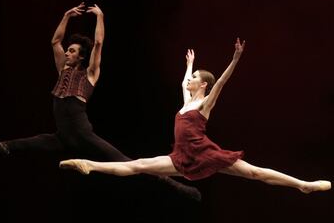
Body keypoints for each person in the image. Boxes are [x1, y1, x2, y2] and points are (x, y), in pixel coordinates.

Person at [0, 2, 202, 200]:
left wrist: (100, 16)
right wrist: (66, 16)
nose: (67, 50)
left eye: (73, 50)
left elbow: (99, 43)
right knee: (16, 145)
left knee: (129, 164)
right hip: (62, 136)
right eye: (69, 49)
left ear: (81, 57)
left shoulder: (90, 74)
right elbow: (55, 40)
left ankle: (177, 186)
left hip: (83, 134)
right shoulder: (63, 70)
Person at [60, 38, 331, 194]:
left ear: (202, 85)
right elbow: (183, 82)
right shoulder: (186, 102)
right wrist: (189, 64)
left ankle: (303, 185)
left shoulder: (204, 105)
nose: (188, 80)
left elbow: (221, 83)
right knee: (138, 165)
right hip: (182, 157)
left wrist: (235, 59)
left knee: (255, 173)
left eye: (194, 79)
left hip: (205, 154)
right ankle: (88, 163)